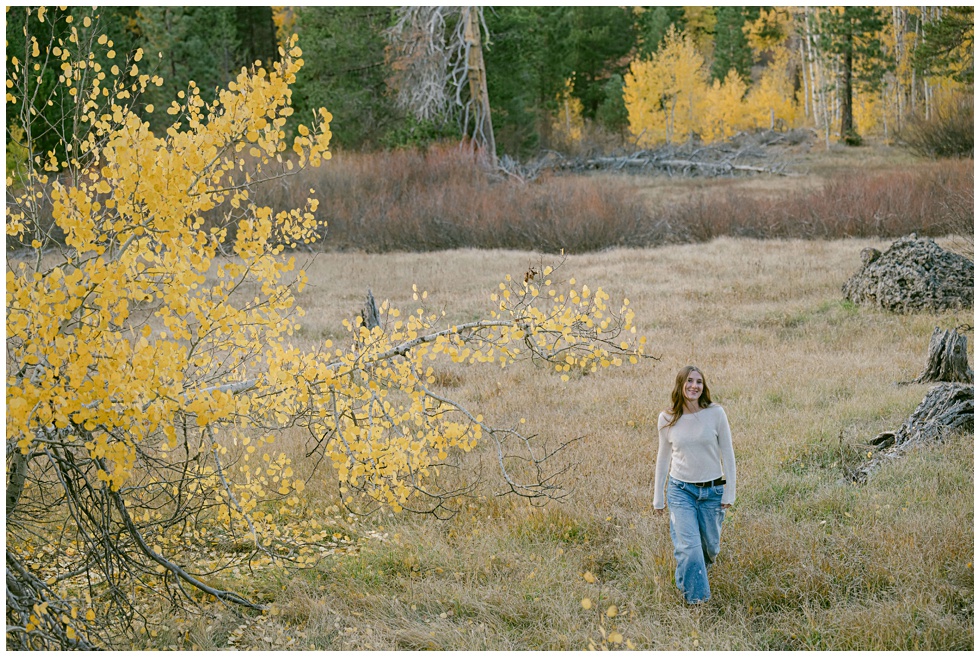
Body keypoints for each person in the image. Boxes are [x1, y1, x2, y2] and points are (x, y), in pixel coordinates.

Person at [652, 365, 736, 605]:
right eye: (689, 381)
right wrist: (658, 497)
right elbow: (663, 457)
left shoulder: (716, 413)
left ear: (704, 386)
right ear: (680, 385)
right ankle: (697, 602)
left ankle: (685, 578)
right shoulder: (667, 418)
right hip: (681, 492)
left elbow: (728, 454)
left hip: (712, 491)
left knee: (710, 549)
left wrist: (730, 492)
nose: (694, 386)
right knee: (690, 548)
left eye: (699, 382)